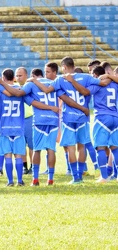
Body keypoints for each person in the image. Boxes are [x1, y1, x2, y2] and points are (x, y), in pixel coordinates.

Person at [0, 63, 89, 186]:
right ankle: (50, 179)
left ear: (32, 75)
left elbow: (22, 96)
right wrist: (80, 108)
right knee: (51, 150)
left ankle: (35, 179)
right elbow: (65, 98)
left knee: (36, 150)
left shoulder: (31, 84)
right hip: (53, 120)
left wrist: (1, 83)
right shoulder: (55, 83)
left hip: (38, 121)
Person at [30, 56, 109, 184]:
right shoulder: (87, 77)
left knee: (71, 148)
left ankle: (75, 177)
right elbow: (103, 83)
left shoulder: (60, 79)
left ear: (64, 67)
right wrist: (108, 76)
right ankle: (81, 175)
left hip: (68, 118)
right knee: (81, 147)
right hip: (83, 118)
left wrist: (34, 80)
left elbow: (46, 90)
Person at [68, 65, 118, 183]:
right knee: (115, 148)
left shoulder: (97, 84)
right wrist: (110, 76)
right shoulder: (115, 84)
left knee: (100, 148)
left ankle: (104, 177)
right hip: (115, 117)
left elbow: (84, 92)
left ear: (95, 75)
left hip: (102, 118)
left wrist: (72, 81)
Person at [15, 67, 33, 175]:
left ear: (26, 76)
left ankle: (33, 166)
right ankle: (24, 167)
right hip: (18, 120)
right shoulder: (14, 87)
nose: (18, 77)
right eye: (17, 75)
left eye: (20, 75)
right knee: (21, 145)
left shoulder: (30, 86)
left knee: (31, 145)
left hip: (29, 118)